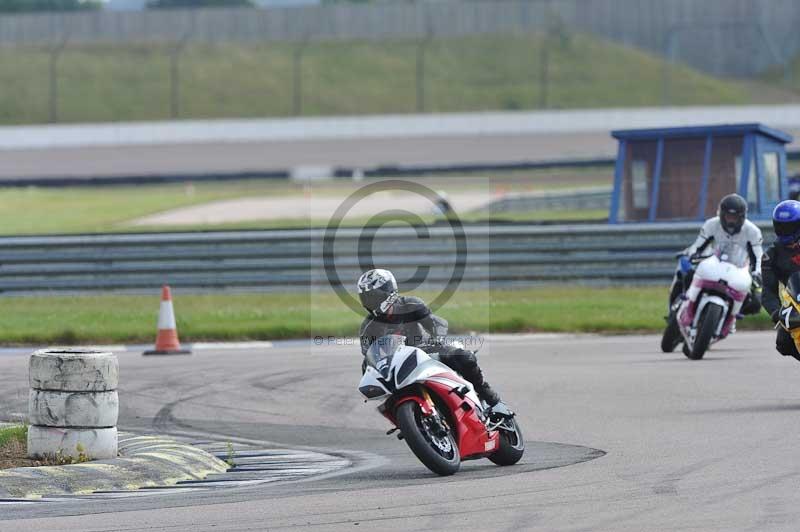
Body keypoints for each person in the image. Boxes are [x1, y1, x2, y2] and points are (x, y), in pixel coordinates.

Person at [356, 268, 501, 407]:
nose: (371, 302)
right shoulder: (368, 327)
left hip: (426, 351)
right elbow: (369, 357)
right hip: (398, 366)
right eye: (367, 298)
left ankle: (486, 393)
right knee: (388, 401)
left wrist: (437, 337)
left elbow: (434, 323)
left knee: (464, 357)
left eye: (374, 297)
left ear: (388, 291)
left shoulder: (411, 304)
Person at [668, 193, 764, 315]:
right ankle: (678, 306)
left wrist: (758, 273)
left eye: (734, 218)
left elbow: (758, 256)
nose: (731, 221)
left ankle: (732, 315)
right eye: (728, 217)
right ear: (721, 215)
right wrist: (693, 256)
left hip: (739, 269)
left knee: (756, 303)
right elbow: (698, 246)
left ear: (742, 217)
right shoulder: (711, 224)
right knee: (687, 274)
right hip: (713, 263)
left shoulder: (753, 231)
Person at [762, 199, 800, 360]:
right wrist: (775, 313)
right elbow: (768, 291)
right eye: (781, 226)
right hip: (794, 301)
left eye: (790, 227)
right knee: (783, 343)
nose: (785, 231)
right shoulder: (771, 255)